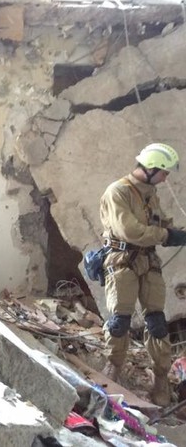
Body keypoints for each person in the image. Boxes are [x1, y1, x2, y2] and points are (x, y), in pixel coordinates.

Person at [99, 142, 186, 407]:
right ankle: (112, 370)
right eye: (164, 172)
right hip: (122, 260)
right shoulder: (118, 192)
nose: (166, 178)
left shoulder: (150, 193)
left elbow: (159, 223)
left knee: (157, 322)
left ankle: (161, 381)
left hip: (148, 261)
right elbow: (131, 231)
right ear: (150, 168)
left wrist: (176, 232)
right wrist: (166, 235)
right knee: (120, 321)